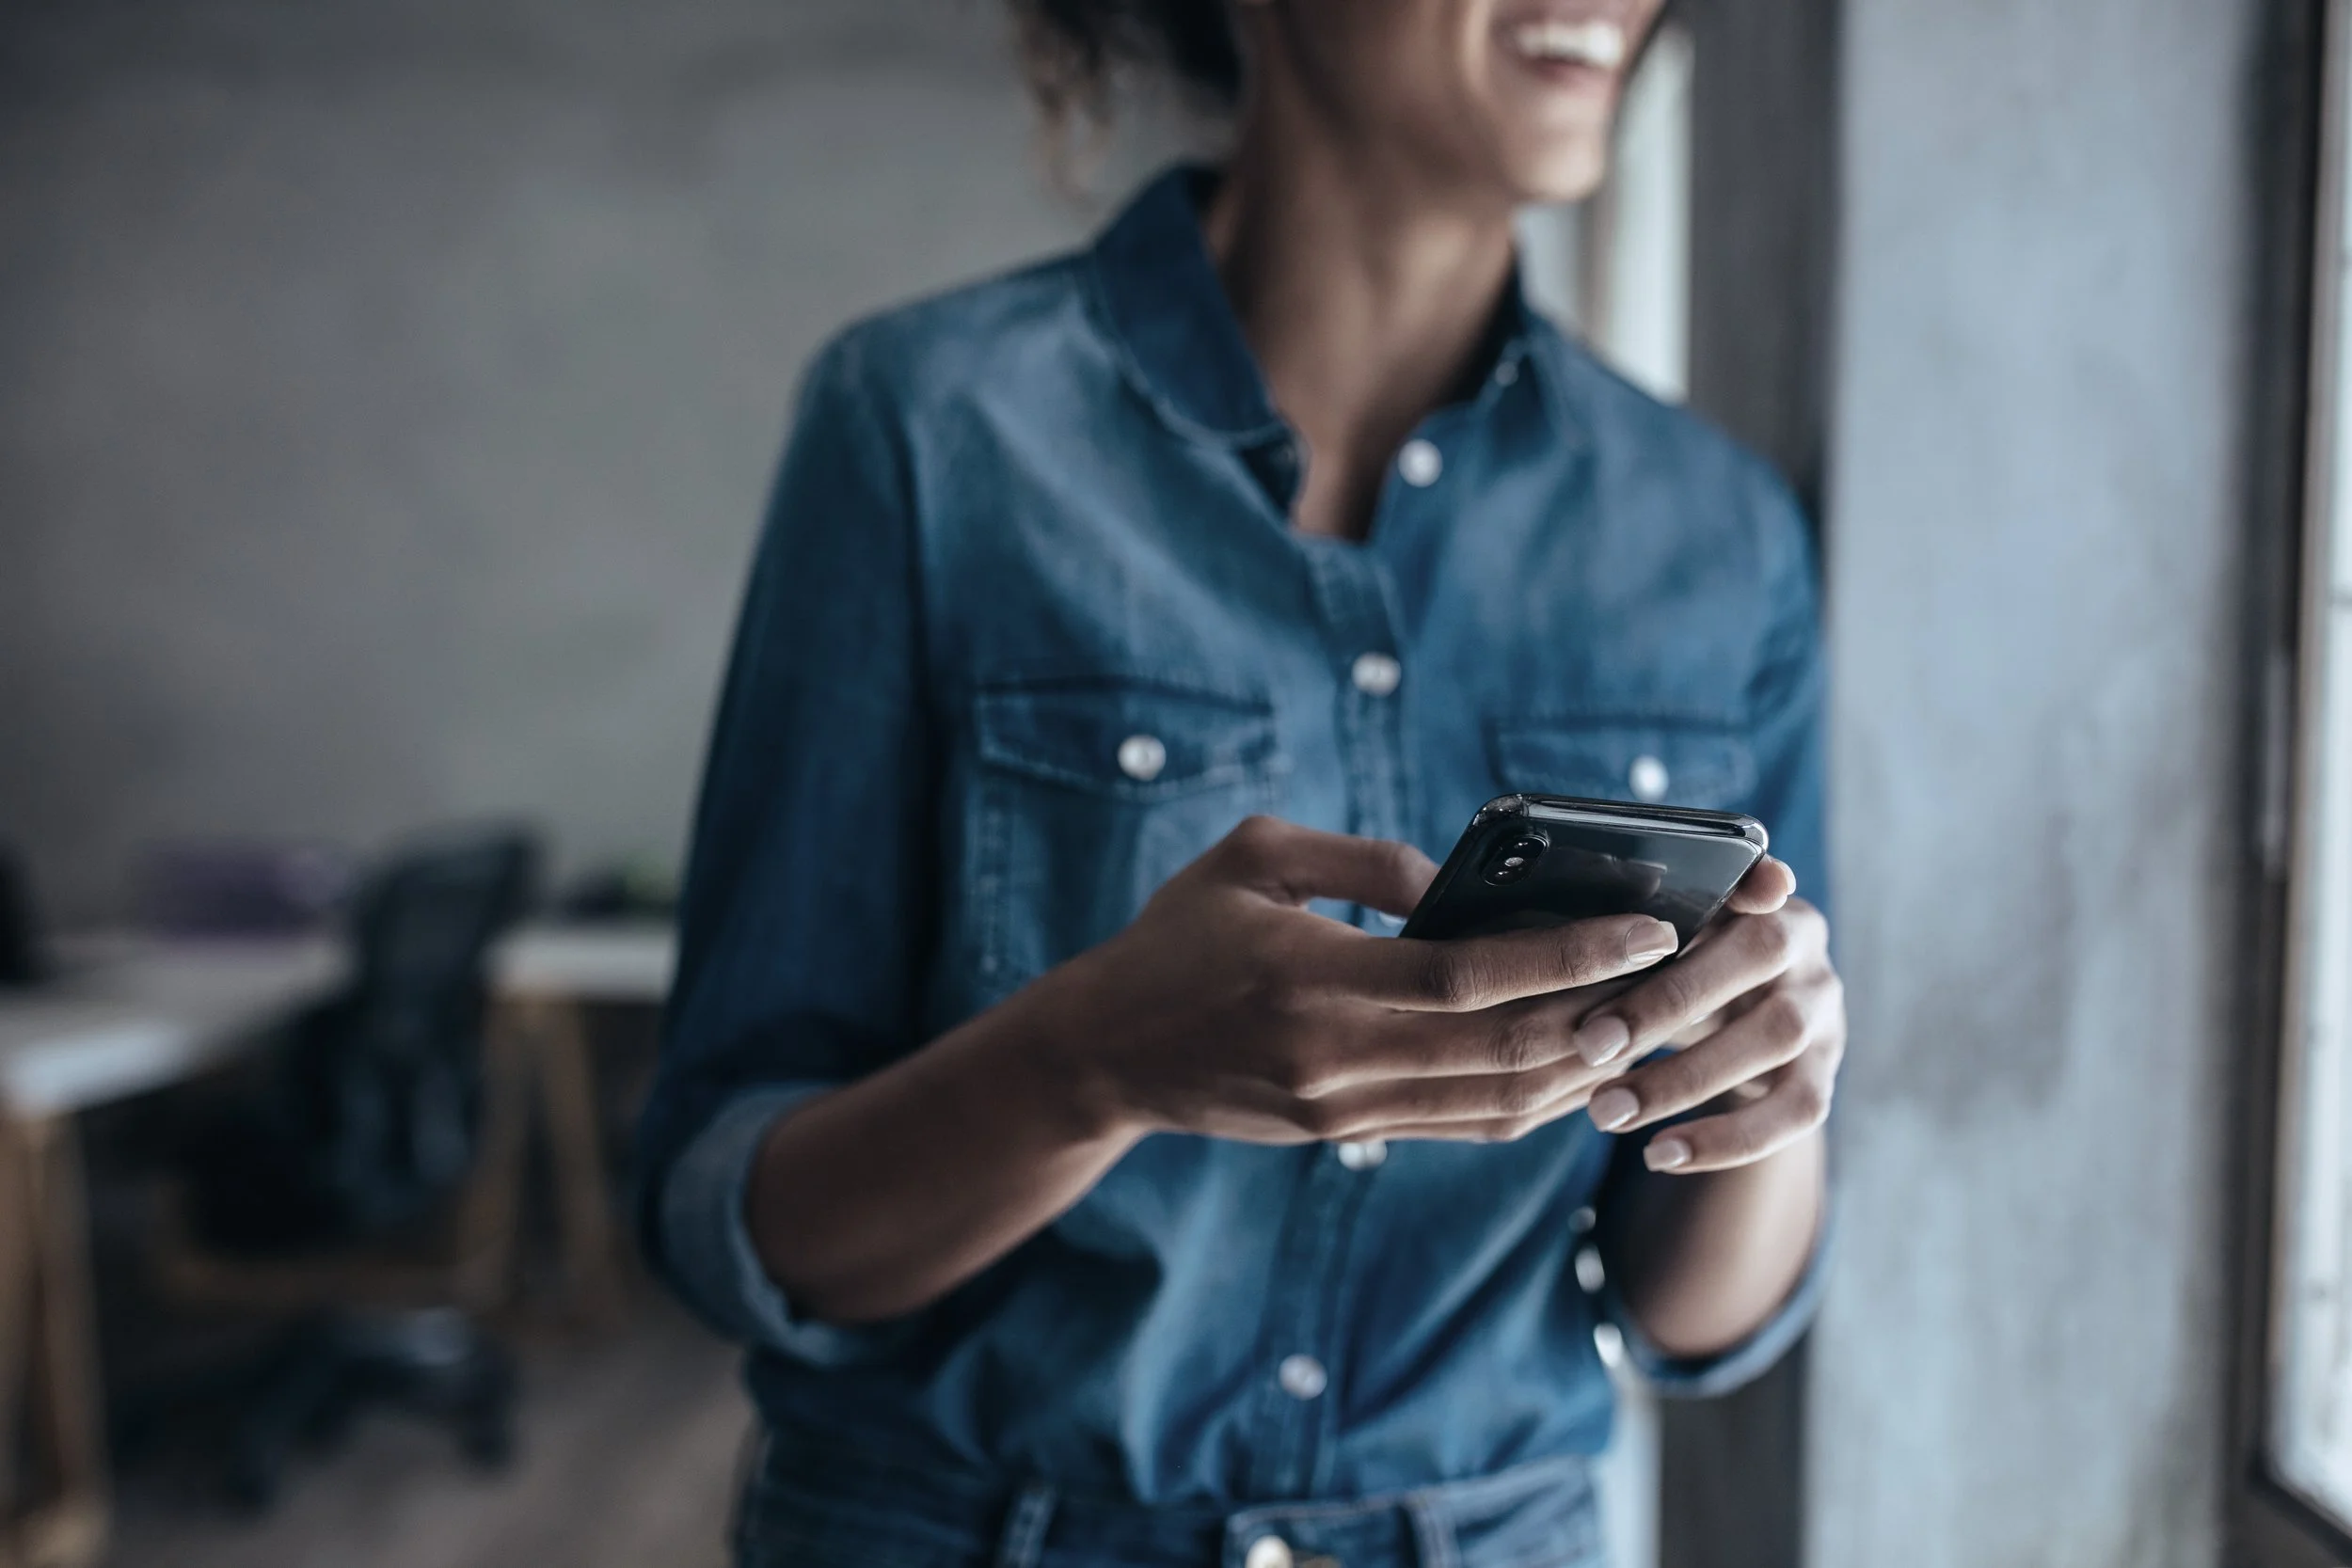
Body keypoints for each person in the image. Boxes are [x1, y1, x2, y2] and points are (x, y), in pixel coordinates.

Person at [640, 1, 1845, 1563]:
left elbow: (1698, 1314)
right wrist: (1089, 1064)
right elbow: (735, 1214)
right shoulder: (928, 431)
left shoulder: (1721, 535)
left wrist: (1769, 1093)